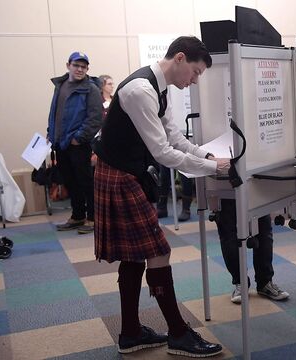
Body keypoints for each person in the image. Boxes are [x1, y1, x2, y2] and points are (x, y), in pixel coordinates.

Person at [93, 36, 228, 357]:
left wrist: (206, 154)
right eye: (195, 72)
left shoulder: (159, 87)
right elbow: (163, 152)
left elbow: (174, 136)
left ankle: (130, 333)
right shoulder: (140, 90)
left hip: (126, 172)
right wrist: (210, 167)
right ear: (180, 58)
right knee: (158, 250)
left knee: (135, 255)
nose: (194, 80)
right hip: (118, 175)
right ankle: (178, 333)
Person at [48, 51, 102, 235]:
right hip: (60, 143)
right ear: (68, 65)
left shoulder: (91, 89)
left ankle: (93, 218)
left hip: (78, 144)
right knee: (70, 181)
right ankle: (78, 215)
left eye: (83, 66)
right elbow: (55, 112)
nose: (80, 69)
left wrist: (78, 138)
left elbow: (95, 118)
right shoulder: (60, 85)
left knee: (86, 182)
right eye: (76, 65)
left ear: (87, 69)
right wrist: (51, 132)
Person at [215, 199, 289, 303]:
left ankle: (265, 282)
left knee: (264, 231)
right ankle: (240, 282)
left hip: (256, 188)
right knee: (228, 234)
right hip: (223, 188)